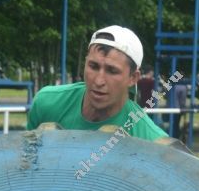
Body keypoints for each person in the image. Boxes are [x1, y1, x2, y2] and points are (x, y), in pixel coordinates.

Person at [26, 25, 168, 141]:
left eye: (112, 71)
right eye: (93, 66)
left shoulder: (150, 140)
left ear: (133, 78)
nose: (99, 81)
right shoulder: (47, 103)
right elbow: (26, 166)